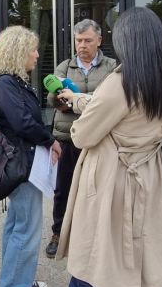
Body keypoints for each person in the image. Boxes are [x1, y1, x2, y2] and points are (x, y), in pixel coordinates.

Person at [55, 6, 162, 287]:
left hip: (111, 182)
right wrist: (84, 101)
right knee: (148, 272)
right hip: (149, 180)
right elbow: (123, 113)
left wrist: (82, 112)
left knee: (86, 267)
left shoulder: (121, 81)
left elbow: (83, 134)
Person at [0, 25, 61, 287]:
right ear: (18, 52)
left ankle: (20, 279)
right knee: (26, 229)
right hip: (22, 164)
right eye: (33, 50)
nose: (37, 55)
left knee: (17, 224)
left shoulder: (11, 81)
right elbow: (22, 122)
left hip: (23, 162)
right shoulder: (7, 83)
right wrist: (50, 140)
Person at [44, 19, 117, 259]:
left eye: (87, 40)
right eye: (78, 41)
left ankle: (95, 236)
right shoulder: (65, 67)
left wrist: (78, 100)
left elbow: (113, 99)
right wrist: (68, 100)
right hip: (68, 138)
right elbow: (52, 99)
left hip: (99, 139)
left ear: (99, 40)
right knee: (63, 190)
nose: (82, 45)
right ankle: (58, 233)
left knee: (97, 190)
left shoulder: (112, 67)